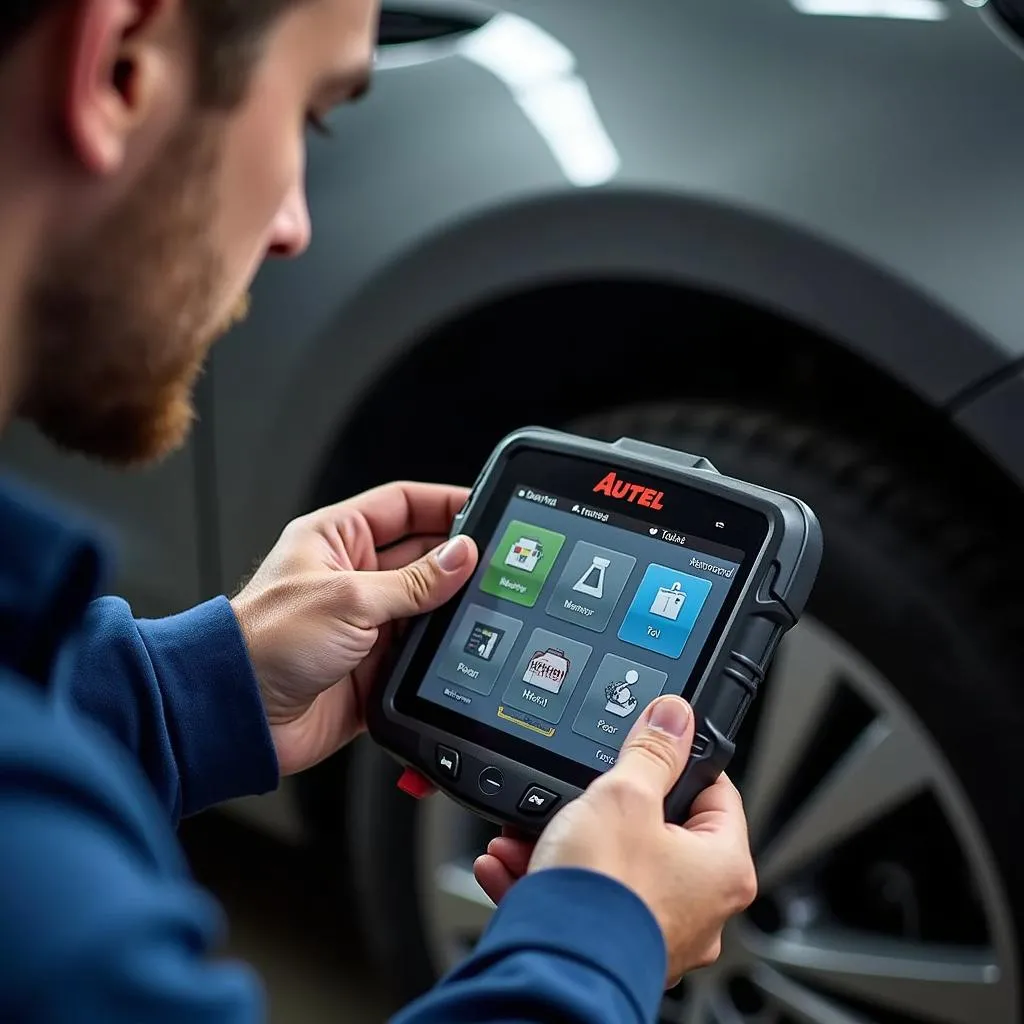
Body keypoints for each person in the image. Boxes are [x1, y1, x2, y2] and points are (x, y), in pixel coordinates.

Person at [0, 1, 758, 1022]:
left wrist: (187, 694)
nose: (292, 226)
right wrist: (598, 933)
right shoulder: (47, 908)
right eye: (310, 115)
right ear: (120, 68)